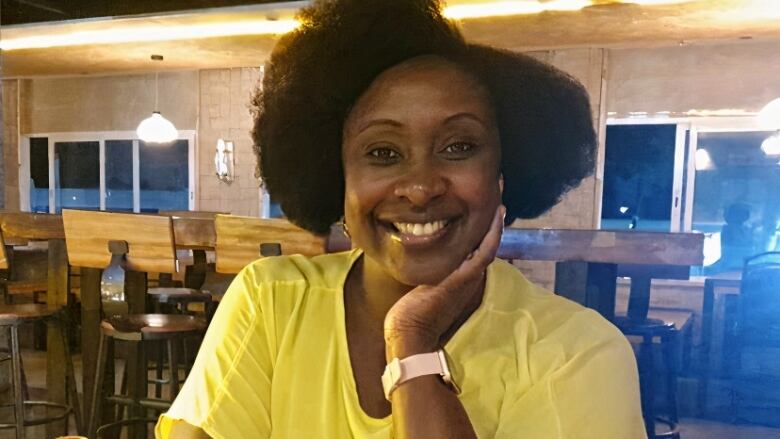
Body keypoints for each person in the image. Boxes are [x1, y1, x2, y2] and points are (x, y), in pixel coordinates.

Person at [156, 0, 645, 437]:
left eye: (458, 147)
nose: (420, 186)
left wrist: (412, 342)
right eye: (383, 152)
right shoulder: (271, 301)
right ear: (339, 179)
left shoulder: (577, 353)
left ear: (504, 172)